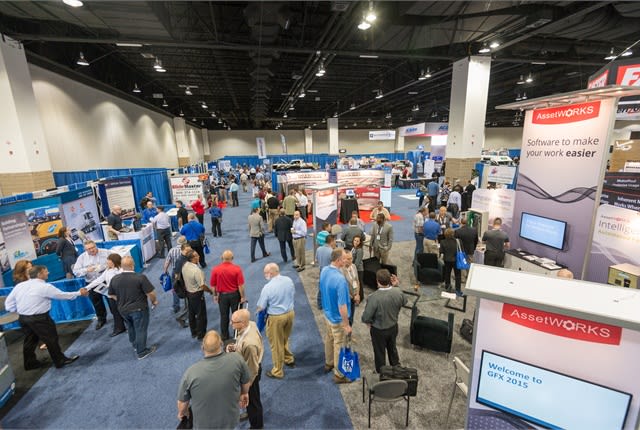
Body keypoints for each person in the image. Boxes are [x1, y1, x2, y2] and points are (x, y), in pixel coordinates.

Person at [6, 265, 89, 370]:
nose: (48, 273)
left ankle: (30, 364)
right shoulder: (44, 287)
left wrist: (21, 311)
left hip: (23, 318)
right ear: (39, 274)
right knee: (51, 339)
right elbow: (62, 295)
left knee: (30, 340)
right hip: (40, 319)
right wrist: (79, 293)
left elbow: (8, 304)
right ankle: (60, 361)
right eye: (46, 271)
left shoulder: (20, 286)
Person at [177, 330, 251, 430]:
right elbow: (246, 382)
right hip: (230, 418)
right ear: (221, 344)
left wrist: (182, 413)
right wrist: (244, 393)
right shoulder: (237, 359)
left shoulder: (191, 373)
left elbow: (182, 404)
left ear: (202, 347)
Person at [108, 256, 158, 360]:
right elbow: (151, 293)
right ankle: (142, 352)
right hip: (139, 309)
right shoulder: (140, 277)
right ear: (133, 265)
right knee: (140, 329)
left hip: (123, 309)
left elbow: (111, 295)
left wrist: (121, 299)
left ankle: (135, 346)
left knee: (131, 327)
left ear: (121, 266)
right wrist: (154, 301)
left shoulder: (114, 279)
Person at [361, 269, 407, 372]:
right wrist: (396, 286)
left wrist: (369, 322)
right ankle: (396, 368)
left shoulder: (373, 297)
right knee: (392, 348)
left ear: (377, 281)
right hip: (393, 327)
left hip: (378, 331)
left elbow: (366, 317)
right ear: (390, 280)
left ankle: (382, 373)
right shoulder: (398, 292)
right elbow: (405, 301)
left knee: (379, 353)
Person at [257, 263, 295, 381]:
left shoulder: (267, 287)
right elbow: (292, 294)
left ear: (271, 273)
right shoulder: (289, 280)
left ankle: (277, 371)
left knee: (276, 344)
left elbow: (261, 306)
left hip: (276, 318)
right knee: (285, 338)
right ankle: (289, 359)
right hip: (290, 314)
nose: (265, 275)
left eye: (265, 273)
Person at [227, 309, 264, 428]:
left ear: (242, 323)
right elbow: (241, 341)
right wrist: (236, 347)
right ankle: (250, 413)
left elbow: (252, 369)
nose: (230, 324)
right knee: (251, 400)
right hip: (249, 365)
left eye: (233, 322)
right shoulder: (251, 324)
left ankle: (257, 426)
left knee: (253, 400)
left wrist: (245, 389)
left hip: (250, 373)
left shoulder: (249, 345)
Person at [320, 249, 352, 384]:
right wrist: (346, 324)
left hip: (327, 314)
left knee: (329, 338)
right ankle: (339, 375)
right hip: (337, 319)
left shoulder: (324, 270)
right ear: (338, 260)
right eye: (344, 258)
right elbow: (342, 306)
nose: (347, 261)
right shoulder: (340, 280)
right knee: (339, 345)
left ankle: (329, 363)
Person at [85, 253, 126, 337]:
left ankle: (129, 326)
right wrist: (87, 288)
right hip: (111, 295)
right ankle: (120, 328)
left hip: (121, 294)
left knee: (124, 310)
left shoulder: (122, 270)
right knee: (115, 312)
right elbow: (99, 280)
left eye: (108, 261)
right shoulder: (108, 270)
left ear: (114, 262)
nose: (107, 263)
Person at [73, 240, 110, 330]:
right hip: (91, 283)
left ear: (96, 245)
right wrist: (86, 270)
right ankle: (101, 319)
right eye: (88, 249)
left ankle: (119, 318)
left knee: (111, 300)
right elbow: (75, 271)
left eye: (93, 247)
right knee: (96, 303)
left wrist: (105, 267)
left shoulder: (106, 252)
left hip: (105, 281)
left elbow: (116, 261)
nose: (91, 250)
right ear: (85, 249)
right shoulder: (82, 258)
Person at [210, 250, 246, 341]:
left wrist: (215, 295)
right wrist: (242, 296)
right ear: (232, 258)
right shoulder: (237, 269)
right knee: (237, 316)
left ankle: (224, 336)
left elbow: (213, 286)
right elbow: (240, 286)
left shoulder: (215, 269)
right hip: (235, 295)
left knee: (224, 316)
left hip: (222, 296)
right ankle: (237, 335)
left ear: (222, 258)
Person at [182, 250, 209, 340]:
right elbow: (202, 286)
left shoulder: (185, 265)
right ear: (192, 258)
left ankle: (194, 332)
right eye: (197, 255)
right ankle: (201, 335)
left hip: (189, 293)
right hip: (197, 295)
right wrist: (210, 291)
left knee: (192, 314)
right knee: (201, 315)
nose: (199, 256)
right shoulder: (197, 270)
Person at [164, 236, 188, 314]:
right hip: (186, 271)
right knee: (188, 287)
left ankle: (176, 306)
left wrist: (165, 271)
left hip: (175, 272)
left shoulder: (172, 250)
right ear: (185, 242)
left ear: (177, 242)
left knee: (175, 288)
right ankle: (189, 304)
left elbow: (167, 262)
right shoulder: (187, 250)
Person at [440, 228, 463, 295]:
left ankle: (448, 287)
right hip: (456, 260)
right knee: (458, 275)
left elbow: (441, 251)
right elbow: (462, 250)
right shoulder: (458, 241)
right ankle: (458, 290)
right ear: (453, 234)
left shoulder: (442, 242)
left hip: (447, 260)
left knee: (447, 274)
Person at [316, 234, 336, 310]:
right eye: (334, 241)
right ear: (331, 241)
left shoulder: (319, 249)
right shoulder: (332, 251)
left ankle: (319, 304)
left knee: (321, 288)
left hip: (321, 271)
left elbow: (316, 260)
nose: (335, 242)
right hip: (330, 272)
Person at [341, 250, 360, 327]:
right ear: (343, 259)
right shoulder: (340, 271)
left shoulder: (354, 266)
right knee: (346, 318)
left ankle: (349, 331)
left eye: (351, 258)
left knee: (351, 317)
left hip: (354, 297)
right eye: (348, 259)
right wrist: (351, 296)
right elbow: (342, 288)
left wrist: (357, 294)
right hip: (346, 299)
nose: (350, 260)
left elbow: (357, 281)